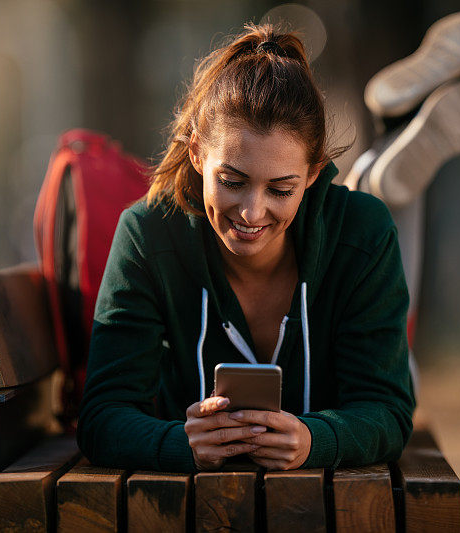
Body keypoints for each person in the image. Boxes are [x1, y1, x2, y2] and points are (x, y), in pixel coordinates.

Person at [75, 23, 416, 472]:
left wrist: (316, 439)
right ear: (197, 154)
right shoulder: (148, 234)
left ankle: (395, 144)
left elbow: (387, 409)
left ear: (313, 174)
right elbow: (103, 417)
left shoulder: (364, 232)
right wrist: (181, 443)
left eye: (281, 189)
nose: (252, 213)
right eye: (232, 182)